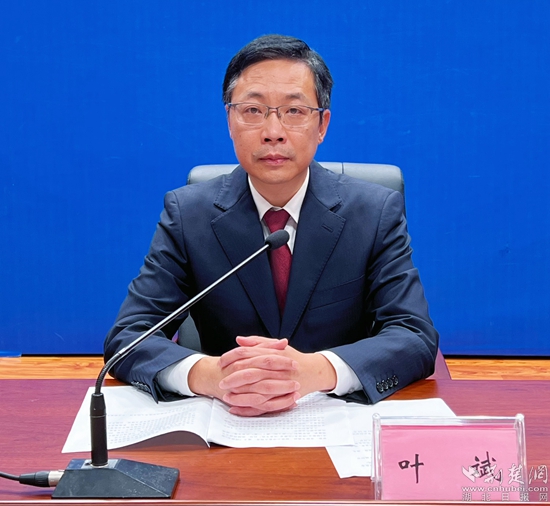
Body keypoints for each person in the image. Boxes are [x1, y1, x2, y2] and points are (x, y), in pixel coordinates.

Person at [105, 34, 439, 416]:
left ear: (322, 124)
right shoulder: (188, 214)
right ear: (230, 121)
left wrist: (315, 371)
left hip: (336, 419)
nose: (273, 131)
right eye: (253, 110)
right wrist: (210, 375)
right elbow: (129, 336)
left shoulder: (374, 213)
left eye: (294, 111)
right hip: (227, 417)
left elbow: (414, 336)